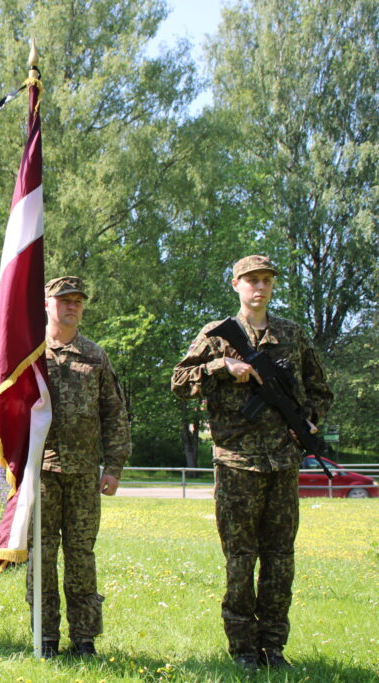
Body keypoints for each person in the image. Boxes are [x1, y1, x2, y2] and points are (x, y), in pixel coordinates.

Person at [171, 255, 332, 671]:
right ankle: (243, 648)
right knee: (241, 558)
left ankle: (273, 648)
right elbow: (179, 382)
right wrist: (222, 366)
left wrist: (307, 423)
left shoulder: (292, 336)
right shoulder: (217, 335)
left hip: (282, 463)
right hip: (237, 463)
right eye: (251, 281)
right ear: (236, 285)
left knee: (280, 559)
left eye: (265, 281)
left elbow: (320, 392)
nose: (259, 288)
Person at [27, 276, 131, 659]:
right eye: (63, 300)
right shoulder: (29, 354)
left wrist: (114, 465)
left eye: (77, 301)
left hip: (85, 474)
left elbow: (114, 414)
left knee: (81, 556)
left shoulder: (95, 355)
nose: (71, 306)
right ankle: (46, 637)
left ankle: (84, 638)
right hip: (41, 474)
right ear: (47, 304)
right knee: (42, 556)